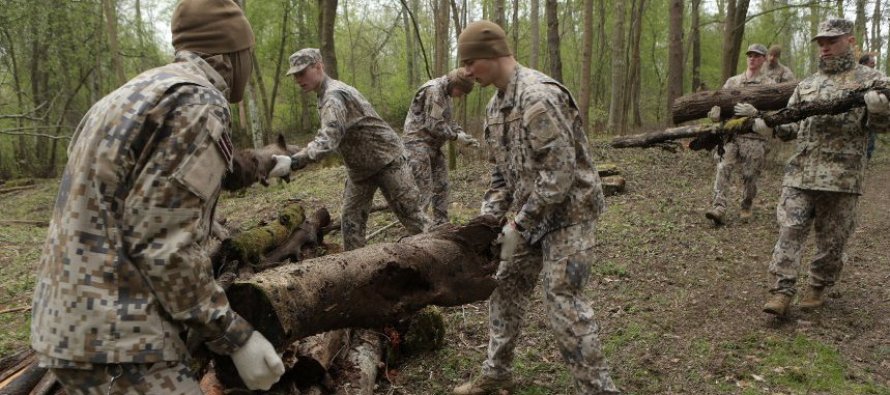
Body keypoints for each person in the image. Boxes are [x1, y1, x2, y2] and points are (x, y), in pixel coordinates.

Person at [29, 0, 286, 393]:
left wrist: (267, 162)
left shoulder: (127, 98)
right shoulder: (198, 103)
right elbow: (163, 244)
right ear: (234, 54)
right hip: (122, 336)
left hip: (66, 325)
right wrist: (236, 336)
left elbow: (142, 189)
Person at [451, 20, 619, 395]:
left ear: (491, 55)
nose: (465, 72)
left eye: (469, 62)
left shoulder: (538, 96)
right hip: (530, 216)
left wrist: (519, 225)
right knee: (503, 286)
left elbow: (560, 175)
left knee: (564, 303)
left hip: (570, 214)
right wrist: (491, 223)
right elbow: (499, 176)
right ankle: (497, 374)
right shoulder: (495, 109)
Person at [737, 20, 890, 316]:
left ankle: (818, 285)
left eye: (832, 40)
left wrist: (880, 112)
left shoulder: (873, 80)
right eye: (821, 42)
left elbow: (881, 129)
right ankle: (782, 290)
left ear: (850, 40)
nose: (825, 46)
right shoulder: (807, 84)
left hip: (842, 179)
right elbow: (792, 125)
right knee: (789, 231)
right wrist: (768, 128)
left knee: (832, 241)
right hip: (800, 173)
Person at [276, 48, 428, 251]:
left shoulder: (333, 96)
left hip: (387, 161)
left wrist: (294, 162)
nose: (298, 79)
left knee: (413, 217)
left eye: (302, 72)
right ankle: (357, 274)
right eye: (295, 75)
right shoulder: (324, 95)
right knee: (351, 224)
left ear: (319, 66)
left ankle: (445, 260)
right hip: (360, 170)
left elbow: (328, 141)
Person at [705, 44, 776, 225]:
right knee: (723, 167)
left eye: (757, 56)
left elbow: (775, 117)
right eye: (750, 55)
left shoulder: (770, 85)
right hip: (732, 135)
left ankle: (746, 204)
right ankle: (718, 206)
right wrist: (716, 115)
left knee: (750, 174)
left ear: (764, 59)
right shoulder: (732, 82)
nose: (752, 58)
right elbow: (720, 105)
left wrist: (756, 113)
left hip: (755, 136)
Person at [403, 68, 480, 225]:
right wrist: (456, 137)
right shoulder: (434, 90)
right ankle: (417, 233)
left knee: (442, 186)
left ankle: (441, 227)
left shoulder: (446, 95)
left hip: (433, 146)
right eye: (461, 91)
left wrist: (462, 135)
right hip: (417, 144)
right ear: (454, 84)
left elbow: (448, 122)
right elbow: (434, 124)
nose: (461, 96)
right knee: (422, 191)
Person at [859, 52, 881, 159]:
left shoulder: (877, 76)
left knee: (871, 137)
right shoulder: (856, 76)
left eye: (874, 64)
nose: (873, 65)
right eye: (871, 63)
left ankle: (866, 158)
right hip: (857, 111)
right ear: (864, 63)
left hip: (871, 111)